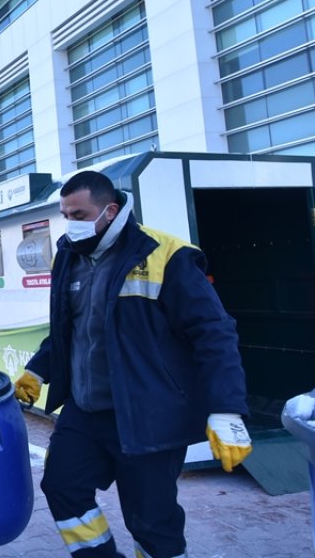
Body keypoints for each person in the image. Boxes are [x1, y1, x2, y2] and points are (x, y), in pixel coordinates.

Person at [13, 171, 252, 558]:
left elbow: (215, 333)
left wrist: (227, 410)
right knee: (61, 486)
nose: (70, 224)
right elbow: (69, 328)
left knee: (151, 521)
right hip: (85, 410)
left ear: (110, 210)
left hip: (148, 412)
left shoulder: (165, 254)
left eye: (79, 214)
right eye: (65, 214)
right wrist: (39, 369)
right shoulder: (69, 257)